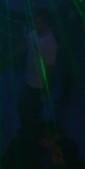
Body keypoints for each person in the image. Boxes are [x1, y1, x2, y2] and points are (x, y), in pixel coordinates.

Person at [18, 9, 58, 137]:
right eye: (34, 22)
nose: (35, 25)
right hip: (30, 79)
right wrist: (9, 56)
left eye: (38, 23)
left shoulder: (49, 42)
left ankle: (33, 135)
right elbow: (26, 44)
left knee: (31, 110)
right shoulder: (35, 33)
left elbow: (50, 68)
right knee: (26, 109)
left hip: (38, 84)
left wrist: (46, 89)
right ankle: (29, 131)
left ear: (46, 24)